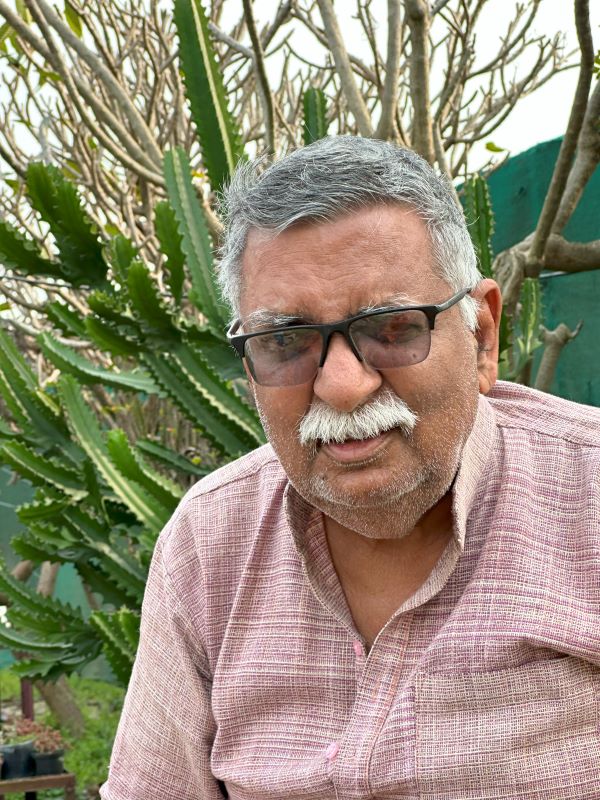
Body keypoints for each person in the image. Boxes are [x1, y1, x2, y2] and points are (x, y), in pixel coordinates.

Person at [100, 137, 600, 800]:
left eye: (391, 328)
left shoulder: (588, 498)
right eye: (285, 340)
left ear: (482, 337)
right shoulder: (209, 545)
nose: (342, 386)